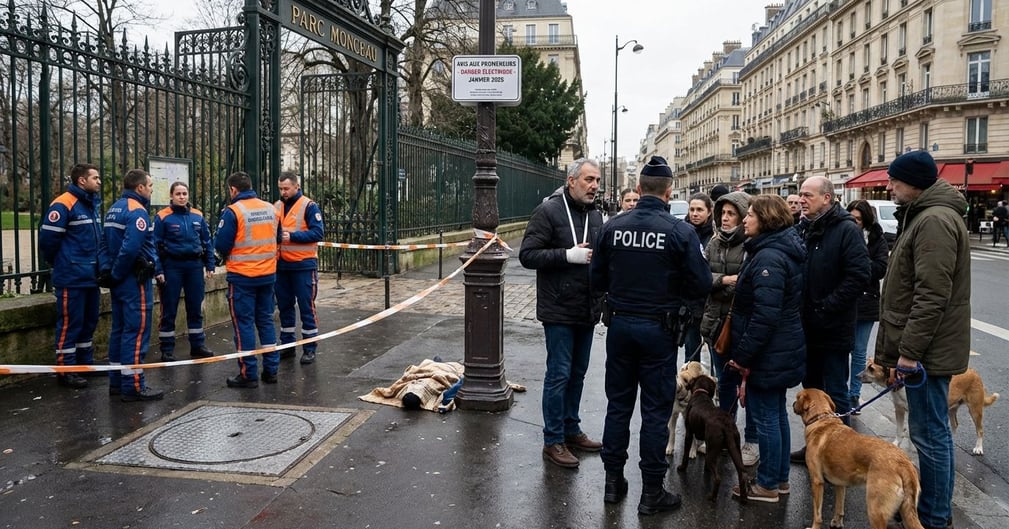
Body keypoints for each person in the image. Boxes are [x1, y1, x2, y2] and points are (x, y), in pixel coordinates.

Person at [591, 155, 711, 514]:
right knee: (656, 412)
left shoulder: (614, 226)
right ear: (669, 191)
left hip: (622, 326)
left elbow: (596, 279)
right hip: (660, 329)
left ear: (639, 188)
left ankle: (613, 483)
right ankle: (652, 492)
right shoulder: (680, 232)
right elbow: (702, 283)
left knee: (619, 406)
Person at [875, 151, 970, 529]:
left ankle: (931, 515)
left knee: (930, 436)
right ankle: (931, 510)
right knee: (930, 433)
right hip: (929, 347)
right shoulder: (926, 215)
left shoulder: (933, 220)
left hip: (928, 351)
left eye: (895, 180)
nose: (889, 185)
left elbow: (932, 295)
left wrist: (909, 354)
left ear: (913, 182)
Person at [519, 158, 605, 469]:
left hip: (586, 308)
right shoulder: (549, 211)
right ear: (571, 181)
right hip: (558, 310)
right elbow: (527, 255)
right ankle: (552, 439)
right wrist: (567, 255)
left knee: (578, 374)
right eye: (588, 180)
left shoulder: (595, 215)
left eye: (597, 180)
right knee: (559, 375)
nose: (594, 185)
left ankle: (571, 429)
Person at [727, 195, 807, 502]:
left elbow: (764, 315)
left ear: (767, 220)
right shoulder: (778, 249)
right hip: (780, 347)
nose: (745, 220)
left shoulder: (769, 258)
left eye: (750, 215)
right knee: (775, 414)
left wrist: (743, 355)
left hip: (768, 351)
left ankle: (768, 483)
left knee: (766, 418)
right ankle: (780, 478)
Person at [792, 176, 869, 462]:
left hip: (833, 327)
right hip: (806, 328)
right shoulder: (802, 228)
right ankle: (815, 447)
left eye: (808, 195)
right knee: (811, 390)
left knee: (836, 391)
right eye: (800, 194)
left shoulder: (846, 229)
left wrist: (826, 307)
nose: (801, 199)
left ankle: (843, 455)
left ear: (827, 198)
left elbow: (859, 275)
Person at [698, 191, 759, 466]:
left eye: (731, 213)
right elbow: (700, 278)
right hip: (716, 325)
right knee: (725, 384)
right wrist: (723, 281)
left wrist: (722, 284)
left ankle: (752, 440)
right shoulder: (713, 243)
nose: (725, 218)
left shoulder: (751, 245)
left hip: (741, 326)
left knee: (750, 384)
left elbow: (746, 286)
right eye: (722, 213)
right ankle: (725, 432)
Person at [101, 168, 164, 401]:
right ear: (139, 188)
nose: (150, 190)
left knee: (119, 330)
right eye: (149, 186)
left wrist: (107, 271)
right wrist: (117, 273)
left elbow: (103, 243)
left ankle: (116, 382)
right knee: (136, 333)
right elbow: (130, 249)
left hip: (118, 280)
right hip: (133, 280)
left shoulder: (113, 209)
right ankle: (134, 385)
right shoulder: (137, 212)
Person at [39, 163, 103, 389]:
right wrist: (62, 262)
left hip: (90, 275)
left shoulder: (90, 204)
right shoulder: (64, 204)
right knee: (70, 323)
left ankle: (84, 364)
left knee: (89, 320)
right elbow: (48, 241)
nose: (99, 181)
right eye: (95, 178)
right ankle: (66, 370)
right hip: (71, 276)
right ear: (81, 181)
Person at [215, 171, 281, 388]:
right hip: (267, 276)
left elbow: (222, 245)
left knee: (243, 325)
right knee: (265, 321)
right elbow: (278, 238)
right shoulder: (271, 209)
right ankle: (271, 370)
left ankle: (248, 373)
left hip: (242, 278)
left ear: (233, 190)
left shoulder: (233, 211)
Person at [153, 182, 216, 362]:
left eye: (184, 193)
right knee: (169, 308)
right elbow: (154, 245)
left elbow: (207, 241)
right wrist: (158, 270)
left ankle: (197, 345)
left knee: (195, 307)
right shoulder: (162, 217)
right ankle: (167, 349)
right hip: (172, 266)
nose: (182, 197)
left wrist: (210, 265)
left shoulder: (197, 215)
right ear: (171, 196)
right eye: (178, 194)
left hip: (194, 266)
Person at [274, 172, 325, 365]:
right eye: (281, 188)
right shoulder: (277, 206)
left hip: (303, 265)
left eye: (286, 188)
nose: (283, 192)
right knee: (284, 307)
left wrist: (292, 237)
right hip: (282, 265)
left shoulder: (309, 206)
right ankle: (287, 346)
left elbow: (318, 232)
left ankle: (309, 348)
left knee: (306, 306)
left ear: (297, 186)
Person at [845, 199, 889, 412]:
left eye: (858, 220)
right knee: (842, 350)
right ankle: (839, 391)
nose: (855, 223)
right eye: (851, 218)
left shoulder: (876, 239)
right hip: (844, 299)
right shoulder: (842, 234)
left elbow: (881, 268)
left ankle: (854, 394)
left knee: (860, 351)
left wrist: (858, 263)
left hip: (867, 300)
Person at [682, 192, 714, 364]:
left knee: (715, 354)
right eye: (692, 209)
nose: (695, 214)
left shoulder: (715, 237)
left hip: (710, 303)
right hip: (690, 304)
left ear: (709, 212)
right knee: (691, 353)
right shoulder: (682, 232)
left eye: (699, 210)